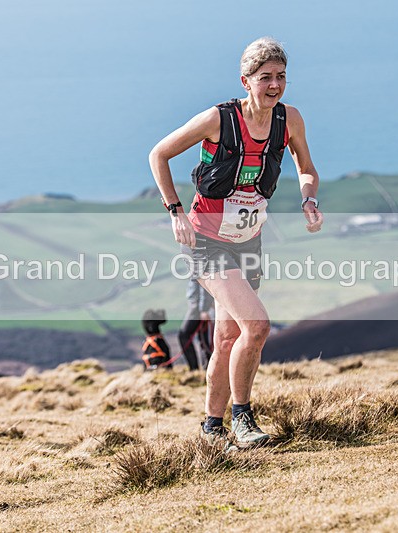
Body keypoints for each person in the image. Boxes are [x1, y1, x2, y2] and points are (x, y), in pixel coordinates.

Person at [149, 37, 323, 448]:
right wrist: (174, 211)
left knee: (228, 338)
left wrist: (309, 197)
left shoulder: (289, 120)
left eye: (281, 77)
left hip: (248, 241)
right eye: (266, 78)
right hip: (206, 241)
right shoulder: (218, 119)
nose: (275, 86)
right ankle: (243, 420)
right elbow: (159, 154)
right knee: (257, 326)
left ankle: (212, 430)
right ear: (246, 81)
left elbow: (307, 168)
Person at [178, 278, 214, 371]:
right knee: (203, 338)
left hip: (197, 306)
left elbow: (203, 280)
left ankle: (195, 369)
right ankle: (207, 368)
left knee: (184, 335)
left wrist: (204, 309)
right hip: (197, 304)